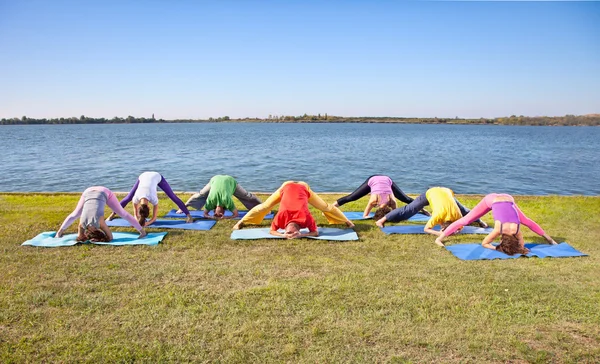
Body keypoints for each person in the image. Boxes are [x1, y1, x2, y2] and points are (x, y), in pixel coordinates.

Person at [434, 193, 558, 252]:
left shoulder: (516, 230)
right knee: (466, 220)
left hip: (508, 199)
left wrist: (518, 247)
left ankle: (550, 240)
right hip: (493, 200)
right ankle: (439, 239)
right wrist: (496, 248)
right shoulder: (499, 230)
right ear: (502, 240)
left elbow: (521, 244)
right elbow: (485, 243)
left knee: (525, 220)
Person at [232, 181, 355, 239]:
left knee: (325, 207)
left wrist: (282, 235)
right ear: (298, 229)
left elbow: (272, 231)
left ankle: (347, 221)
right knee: (264, 206)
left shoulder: (281, 218)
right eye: (292, 233)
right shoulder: (305, 218)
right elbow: (315, 232)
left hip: (298, 186)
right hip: (292, 186)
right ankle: (240, 222)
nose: (289, 232)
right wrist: (302, 235)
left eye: (288, 232)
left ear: (285, 228)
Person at [375, 186, 488, 236]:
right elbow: (427, 229)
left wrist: (454, 231)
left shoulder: (458, 217)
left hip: (446, 193)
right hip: (431, 193)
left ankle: (480, 221)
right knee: (409, 210)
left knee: (464, 210)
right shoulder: (438, 216)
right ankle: (381, 220)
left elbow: (460, 225)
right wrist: (439, 233)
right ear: (441, 223)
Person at [55, 186, 146, 242]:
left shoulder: (100, 223)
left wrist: (103, 239)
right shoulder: (82, 225)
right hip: (93, 192)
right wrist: (84, 237)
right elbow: (80, 236)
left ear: (99, 231)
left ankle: (59, 233)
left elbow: (110, 238)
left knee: (74, 214)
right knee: (122, 213)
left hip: (95, 192)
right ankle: (142, 232)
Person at [107, 171, 193, 226]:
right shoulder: (135, 198)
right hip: (143, 176)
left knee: (172, 196)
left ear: (148, 207)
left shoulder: (153, 198)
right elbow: (135, 215)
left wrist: (148, 223)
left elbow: (154, 218)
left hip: (156, 176)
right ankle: (112, 215)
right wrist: (137, 220)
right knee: (128, 197)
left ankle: (189, 216)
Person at [333, 175, 429, 219]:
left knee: (406, 199)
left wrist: (367, 217)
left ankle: (330, 207)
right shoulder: (376, 200)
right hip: (373, 180)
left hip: (387, 180)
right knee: (352, 197)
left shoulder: (390, 201)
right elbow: (395, 213)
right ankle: (330, 207)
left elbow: (365, 216)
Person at [177, 175, 262, 219]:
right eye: (220, 214)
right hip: (215, 179)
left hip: (230, 180)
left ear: (214, 209)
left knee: (246, 196)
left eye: (215, 213)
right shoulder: (227, 202)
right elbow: (236, 214)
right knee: (200, 194)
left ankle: (264, 206)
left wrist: (213, 216)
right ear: (224, 211)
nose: (217, 213)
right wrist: (221, 217)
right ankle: (183, 207)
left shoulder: (211, 202)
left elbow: (205, 214)